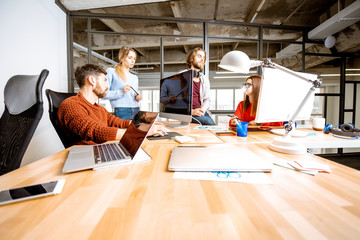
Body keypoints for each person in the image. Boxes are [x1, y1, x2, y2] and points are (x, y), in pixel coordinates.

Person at [58, 64, 167, 145]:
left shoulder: (99, 108)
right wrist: (141, 132)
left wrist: (142, 125)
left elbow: (118, 122)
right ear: (92, 80)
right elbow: (97, 132)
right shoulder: (71, 105)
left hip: (102, 149)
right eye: (104, 81)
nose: (107, 86)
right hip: (86, 156)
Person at [104, 46, 141, 120]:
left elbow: (133, 96)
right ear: (122, 58)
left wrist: (138, 98)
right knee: (123, 132)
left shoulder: (135, 77)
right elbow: (104, 94)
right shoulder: (111, 72)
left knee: (136, 131)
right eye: (130, 58)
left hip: (136, 109)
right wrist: (121, 91)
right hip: (122, 110)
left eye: (134, 59)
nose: (133, 61)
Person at [185, 47, 215, 125]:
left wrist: (202, 110)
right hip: (187, 113)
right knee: (209, 123)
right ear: (191, 58)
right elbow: (175, 102)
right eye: (199, 56)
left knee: (213, 127)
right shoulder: (181, 77)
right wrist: (192, 111)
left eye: (204, 57)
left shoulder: (204, 79)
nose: (202, 59)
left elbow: (207, 100)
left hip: (201, 112)